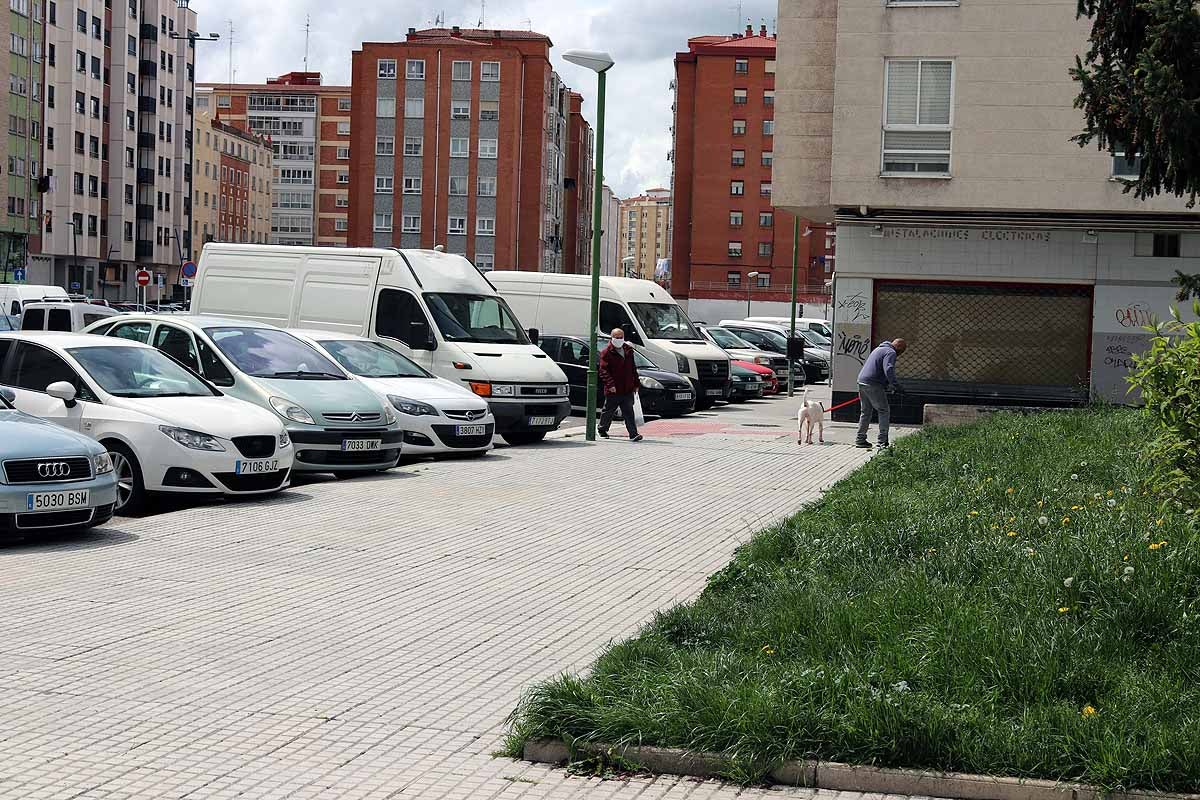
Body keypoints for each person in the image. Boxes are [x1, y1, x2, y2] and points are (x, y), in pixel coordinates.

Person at [856, 338, 907, 449]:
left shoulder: (879, 349)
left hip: (862, 381)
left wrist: (887, 384)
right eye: (902, 352)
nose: (900, 355)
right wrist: (896, 385)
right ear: (899, 349)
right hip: (873, 384)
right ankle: (882, 442)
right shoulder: (891, 352)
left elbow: (877, 369)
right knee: (883, 410)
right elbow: (888, 369)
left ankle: (860, 440)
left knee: (866, 412)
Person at [598, 328, 643, 441]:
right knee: (608, 410)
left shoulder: (628, 350)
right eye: (616, 337)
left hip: (627, 388)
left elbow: (633, 368)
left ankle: (633, 434)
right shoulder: (606, 352)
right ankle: (602, 429)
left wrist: (636, 383)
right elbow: (603, 371)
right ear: (612, 338)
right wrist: (610, 385)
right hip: (614, 389)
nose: (619, 339)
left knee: (628, 411)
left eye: (621, 337)